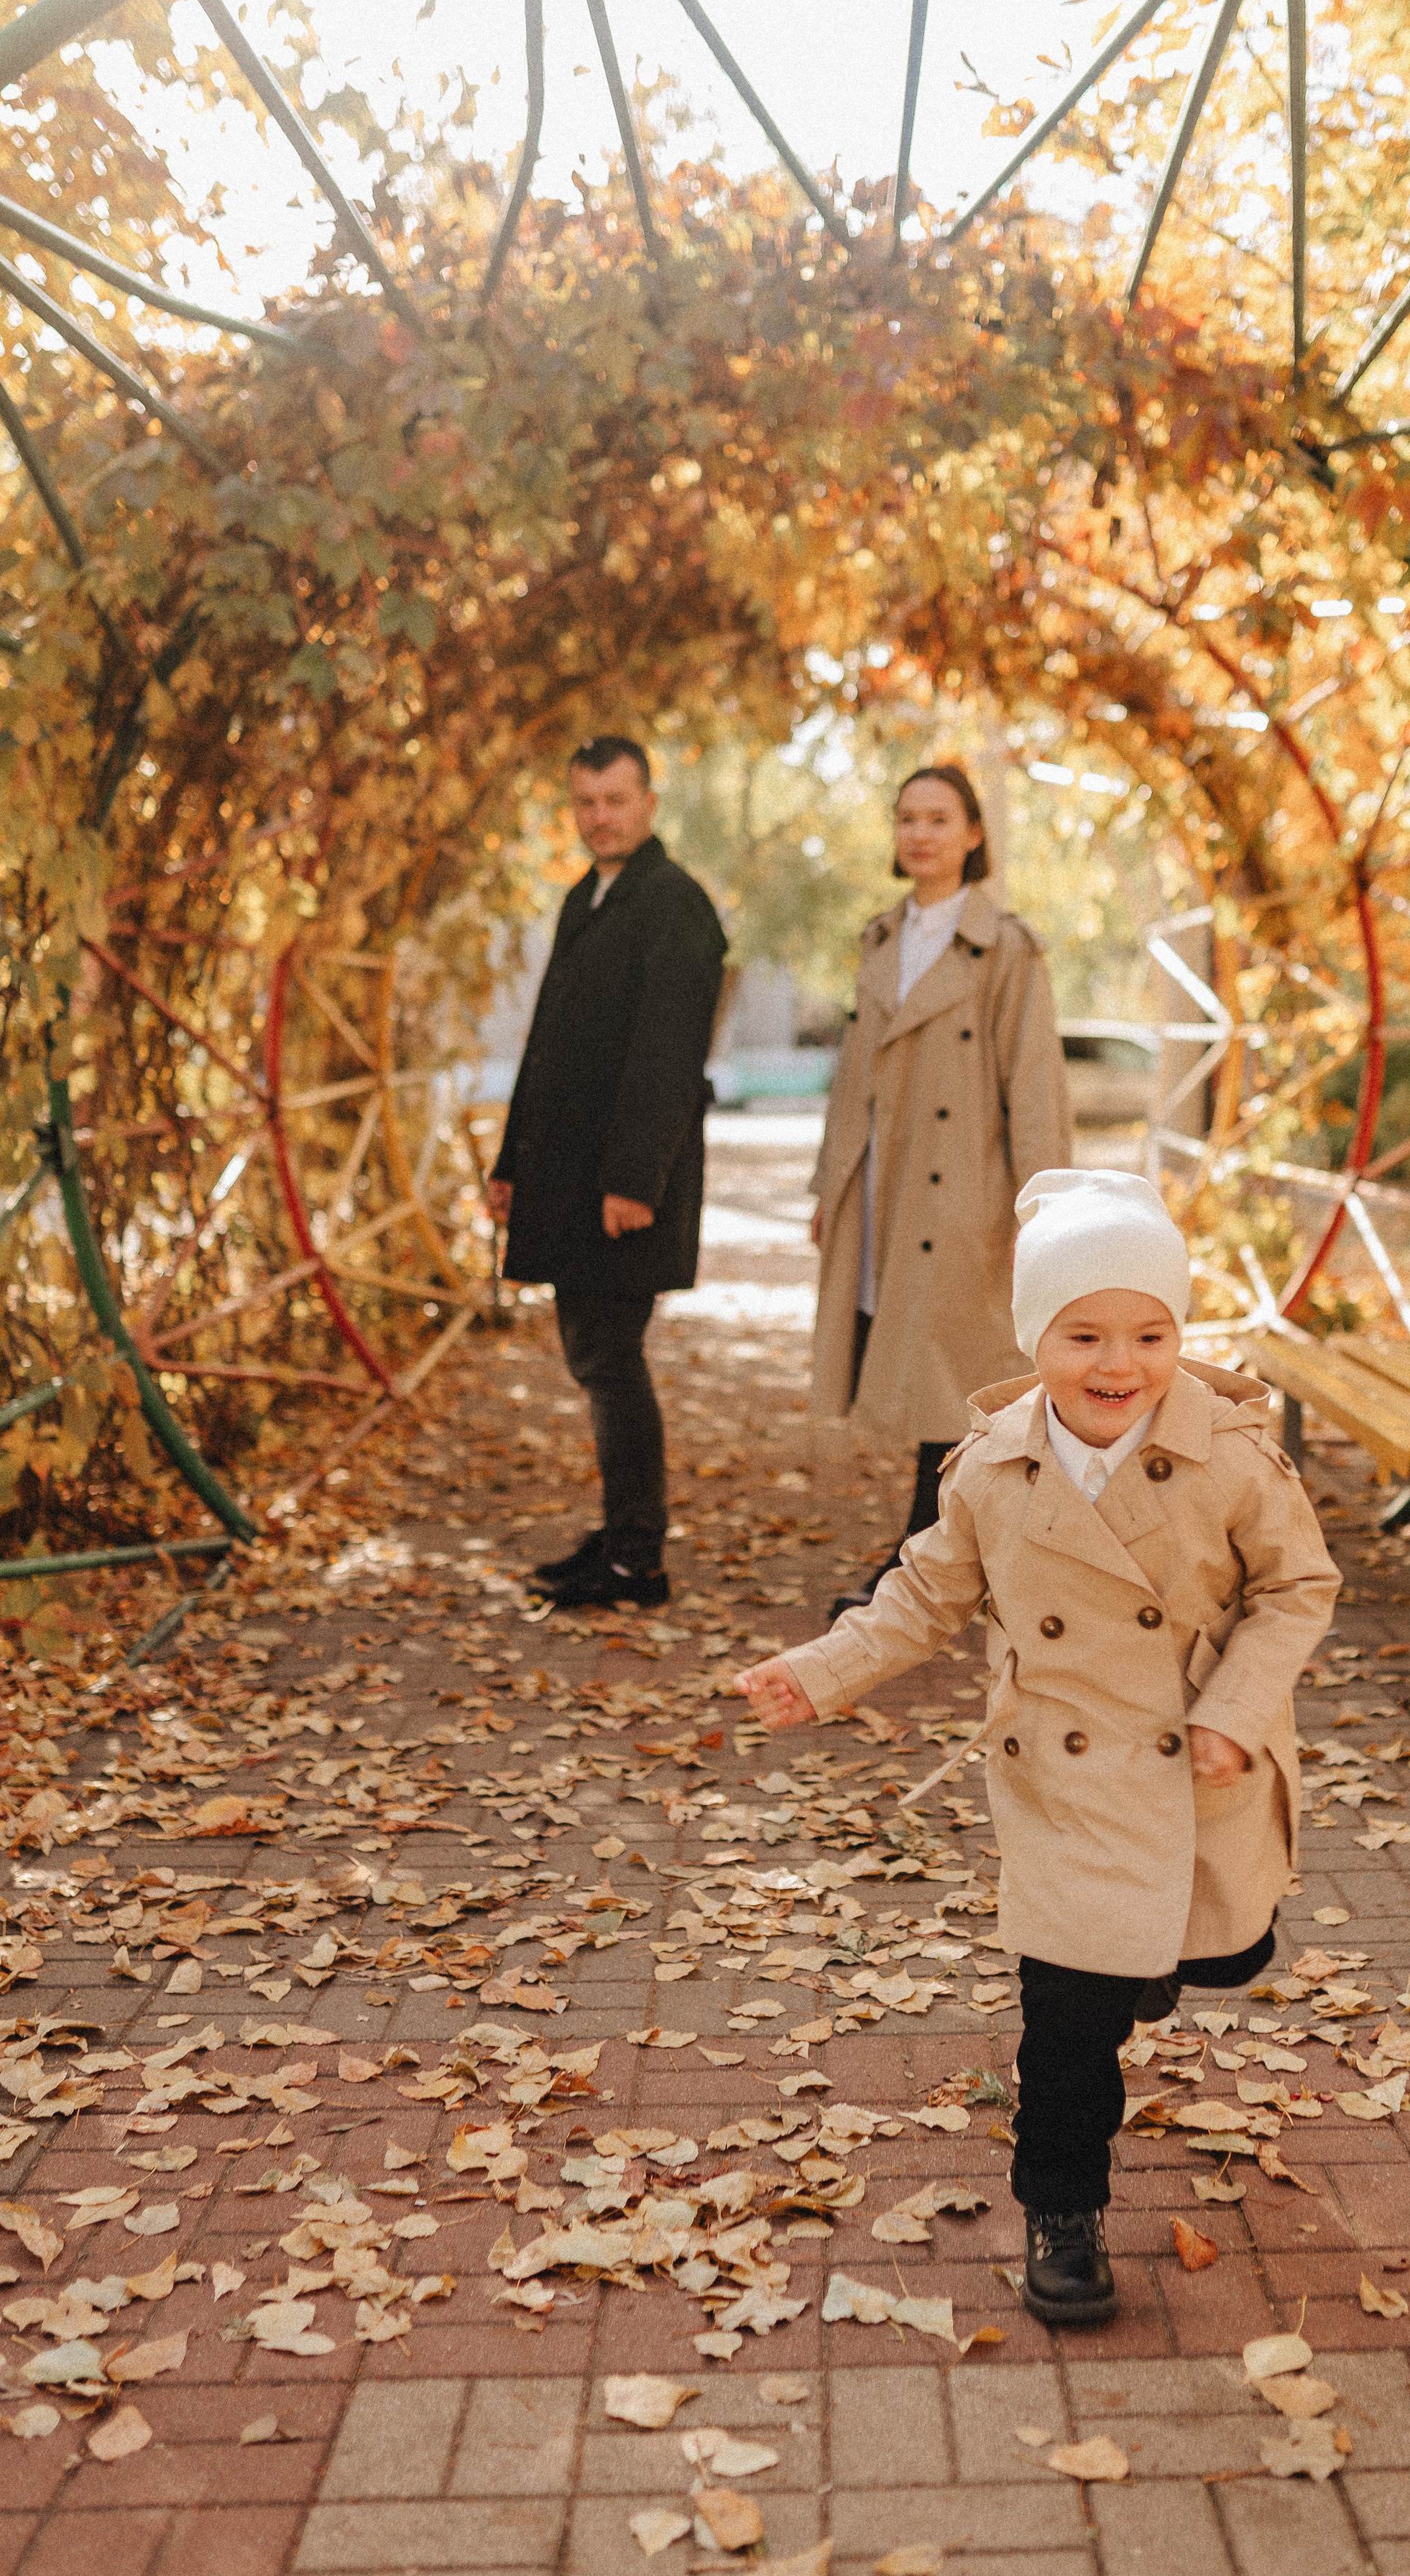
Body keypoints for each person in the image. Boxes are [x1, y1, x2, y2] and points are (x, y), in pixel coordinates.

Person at [737, 1170, 1340, 2326]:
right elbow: (920, 1601)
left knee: (1226, 1955)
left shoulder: (1230, 1459)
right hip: (1065, 1787)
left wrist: (1232, 1711)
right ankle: (1063, 2215)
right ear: (1037, 1337)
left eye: (1151, 1333)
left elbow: (1297, 1587)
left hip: (1198, 1761)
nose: (1120, 1363)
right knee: (1068, 2022)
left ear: (1180, 1335)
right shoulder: (990, 1470)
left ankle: (1166, 1954)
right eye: (1085, 1334)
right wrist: (818, 1675)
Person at [808, 763, 1072, 1615]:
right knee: (916, 1362)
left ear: (971, 834)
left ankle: (923, 1559)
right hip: (884, 1184)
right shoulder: (880, 938)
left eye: (938, 818)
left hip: (963, 1189)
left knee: (953, 1372)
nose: (919, 834)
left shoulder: (1005, 947)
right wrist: (829, 1186)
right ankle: (946, 1554)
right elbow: (853, 1077)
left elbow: (1031, 1085)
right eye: (906, 818)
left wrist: (1045, 1207)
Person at [487, 736, 727, 1611]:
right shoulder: (585, 900)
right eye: (586, 802)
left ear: (649, 804)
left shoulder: (675, 904)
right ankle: (623, 1535)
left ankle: (637, 1561)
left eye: (616, 800)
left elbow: (668, 1054)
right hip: (564, 1177)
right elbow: (546, 1045)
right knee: (595, 1355)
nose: (600, 818)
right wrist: (510, 1162)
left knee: (610, 1357)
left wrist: (635, 1182)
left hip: (624, 1186)